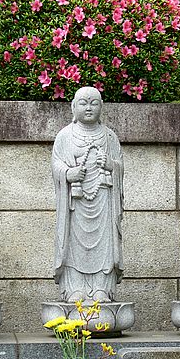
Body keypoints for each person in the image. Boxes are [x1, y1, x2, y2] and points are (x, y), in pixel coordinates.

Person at [52, 86, 125, 303]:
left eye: (94, 103)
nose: (89, 107)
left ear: (101, 107)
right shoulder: (65, 136)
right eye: (83, 103)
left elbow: (119, 165)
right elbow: (56, 165)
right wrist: (68, 173)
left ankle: (102, 289)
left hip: (103, 198)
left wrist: (111, 165)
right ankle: (75, 288)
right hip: (76, 202)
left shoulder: (109, 137)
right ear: (73, 107)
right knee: (74, 245)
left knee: (104, 244)